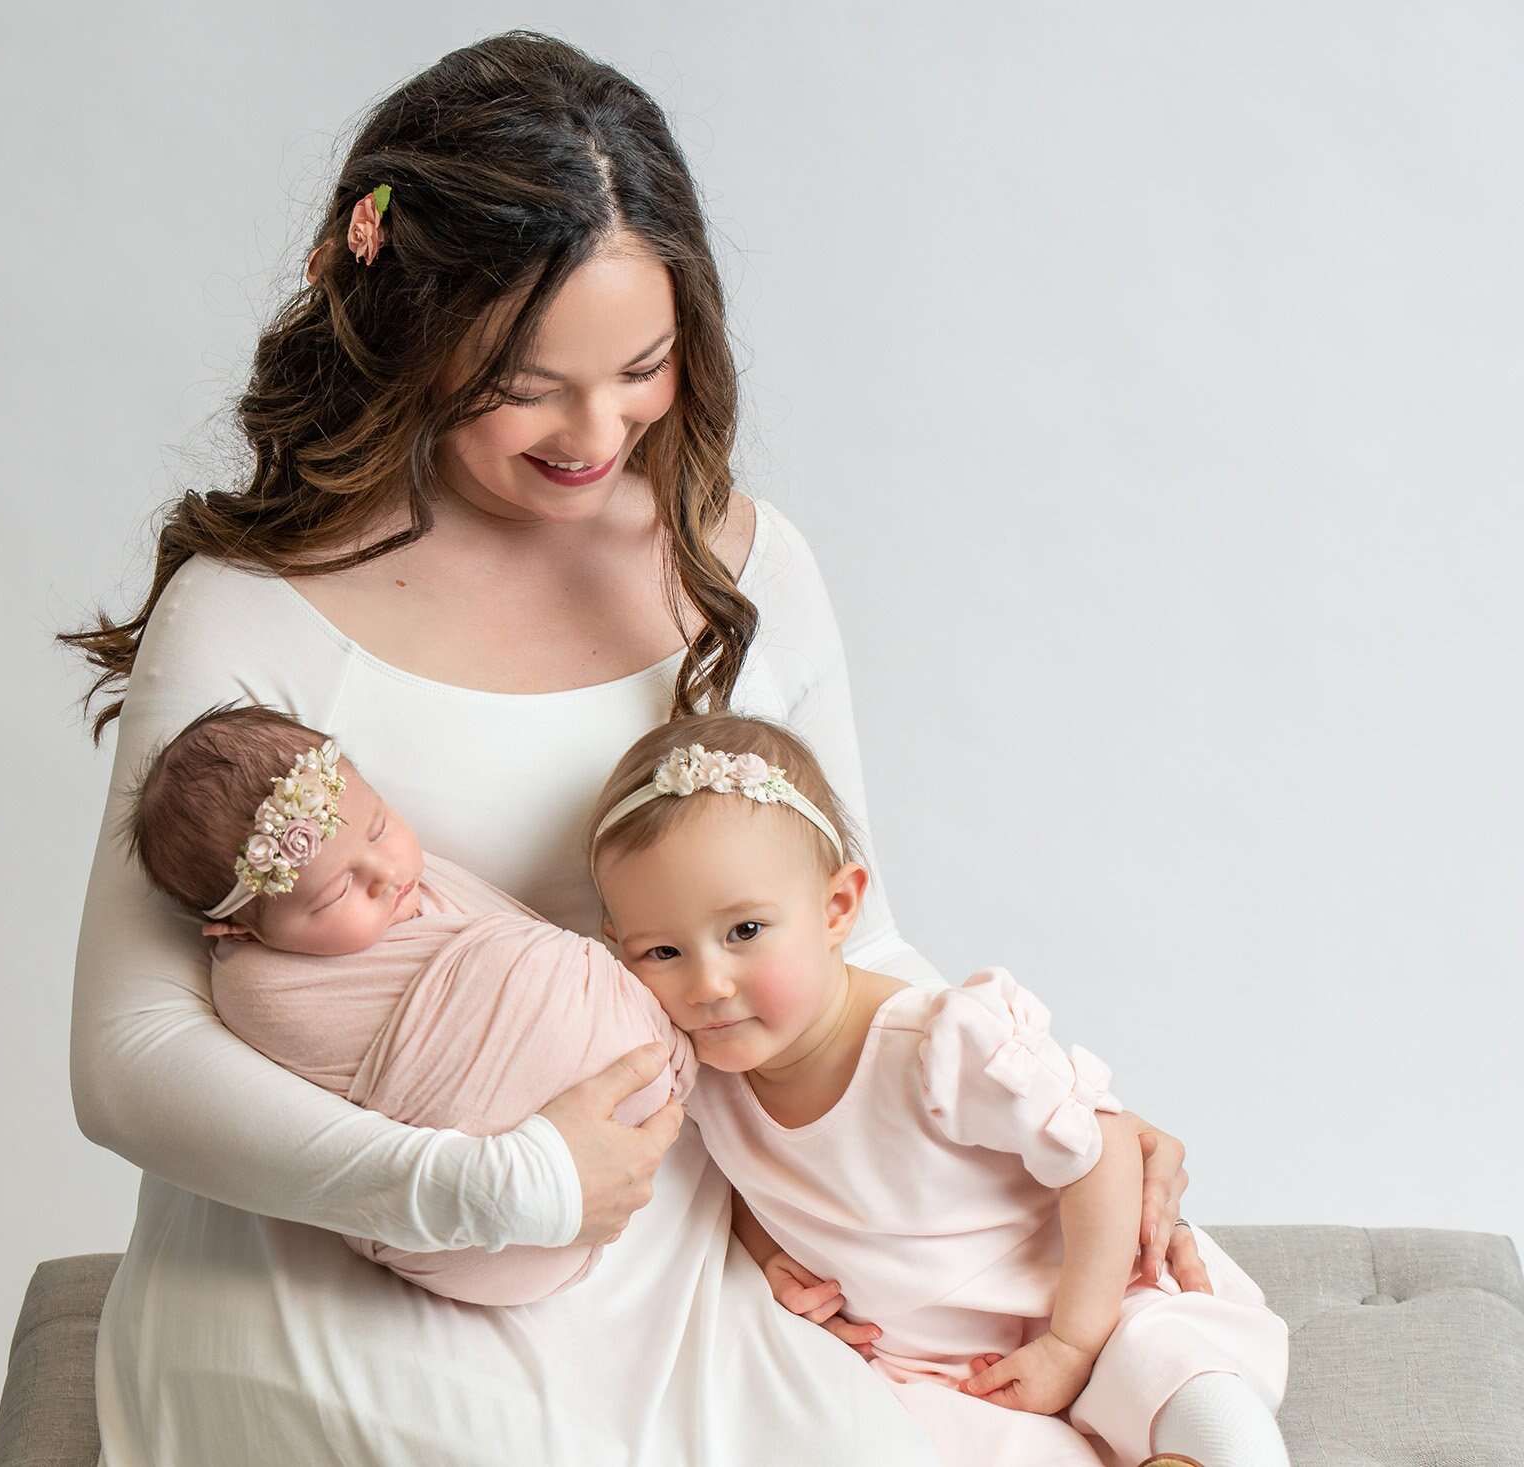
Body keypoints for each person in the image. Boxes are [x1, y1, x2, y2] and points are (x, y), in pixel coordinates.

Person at [63, 30, 1208, 1464]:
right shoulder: (256, 607)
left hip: (661, 1194)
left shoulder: (743, 563)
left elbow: (845, 931)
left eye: (641, 367)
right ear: (408, 330)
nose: (594, 430)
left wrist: (1050, 1106)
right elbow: (129, 1052)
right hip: (355, 1228)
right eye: (523, 382)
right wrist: (490, 1186)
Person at [587, 712, 1290, 1467]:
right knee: (900, 1438)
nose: (709, 985)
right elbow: (750, 1186)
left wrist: (1072, 1342)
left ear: (837, 907)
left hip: (1087, 1298)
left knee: (1175, 1370)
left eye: (745, 931)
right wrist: (768, 1255)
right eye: (663, 952)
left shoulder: (938, 1045)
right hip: (938, 1368)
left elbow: (1105, 1152)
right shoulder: (701, 1079)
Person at [119, 699, 694, 1304]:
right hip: (494, 1224)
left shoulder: (415, 881)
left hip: (625, 1118)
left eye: (379, 827)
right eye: (336, 891)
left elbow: (514, 934)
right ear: (239, 930)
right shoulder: (260, 990)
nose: (386, 874)